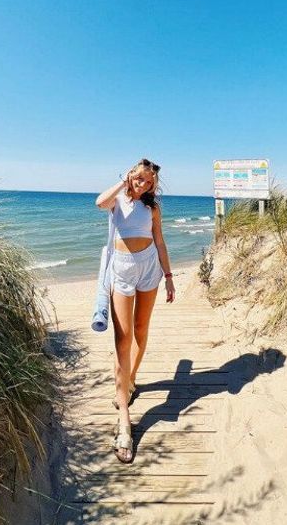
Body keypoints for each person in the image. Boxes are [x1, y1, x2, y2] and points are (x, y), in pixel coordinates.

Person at [95, 158, 177, 463]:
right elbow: (99, 202)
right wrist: (124, 181)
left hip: (149, 267)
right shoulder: (117, 200)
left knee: (141, 330)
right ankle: (124, 423)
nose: (144, 185)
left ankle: (129, 381)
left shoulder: (152, 208)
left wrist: (168, 276)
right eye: (140, 179)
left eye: (149, 182)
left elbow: (160, 241)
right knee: (123, 338)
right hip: (122, 269)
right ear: (131, 175)